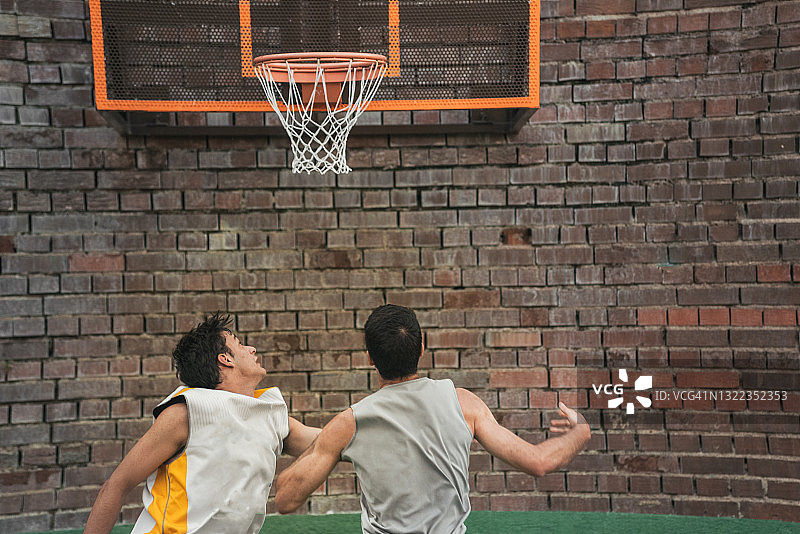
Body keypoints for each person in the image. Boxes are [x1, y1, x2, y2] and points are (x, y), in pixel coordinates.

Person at [275, 304, 591, 533]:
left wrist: (339, 445)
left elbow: (286, 499)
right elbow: (538, 462)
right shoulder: (464, 404)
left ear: (369, 357)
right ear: (422, 347)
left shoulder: (351, 423)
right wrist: (580, 433)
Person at [84, 312, 320, 534]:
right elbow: (116, 486)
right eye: (240, 344)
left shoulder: (268, 413)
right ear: (225, 359)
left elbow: (329, 441)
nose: (251, 349)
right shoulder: (186, 411)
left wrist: (356, 420)